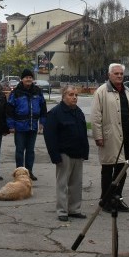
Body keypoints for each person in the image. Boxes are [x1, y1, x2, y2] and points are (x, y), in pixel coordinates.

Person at [90, 63, 129, 213]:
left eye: (121, 74)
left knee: (122, 169)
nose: (119, 76)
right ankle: (105, 200)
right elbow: (96, 116)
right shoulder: (101, 92)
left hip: (127, 136)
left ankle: (117, 199)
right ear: (109, 75)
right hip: (110, 136)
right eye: (116, 73)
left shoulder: (128, 92)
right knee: (108, 169)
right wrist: (98, 136)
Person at [43, 85, 89, 222]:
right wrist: (55, 156)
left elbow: (83, 133)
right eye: (70, 94)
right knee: (63, 183)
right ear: (63, 96)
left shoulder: (79, 112)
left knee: (76, 183)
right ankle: (62, 211)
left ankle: (74, 209)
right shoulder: (55, 113)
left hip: (78, 153)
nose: (74, 97)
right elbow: (49, 136)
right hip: (64, 154)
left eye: (76, 95)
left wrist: (85, 151)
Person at [6, 69, 47, 181]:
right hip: (19, 126)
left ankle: (29, 172)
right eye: (26, 77)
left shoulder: (37, 91)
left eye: (30, 77)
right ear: (22, 79)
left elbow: (43, 107)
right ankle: (19, 173)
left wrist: (42, 122)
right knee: (19, 150)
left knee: (30, 151)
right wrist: (11, 125)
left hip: (32, 126)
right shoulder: (16, 93)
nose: (28, 79)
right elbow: (9, 110)